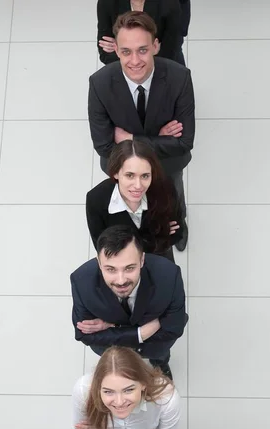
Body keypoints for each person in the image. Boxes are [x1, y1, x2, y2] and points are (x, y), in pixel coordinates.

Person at [88, 10, 195, 252]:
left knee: (173, 196)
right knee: (133, 200)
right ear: (116, 50)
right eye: (126, 51)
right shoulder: (100, 83)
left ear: (156, 46)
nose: (135, 60)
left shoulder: (179, 78)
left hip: (168, 164)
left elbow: (184, 141)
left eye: (143, 50)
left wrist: (129, 138)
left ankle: (179, 225)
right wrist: (159, 137)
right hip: (125, 166)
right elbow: (103, 146)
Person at [70, 225, 188, 378]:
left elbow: (174, 328)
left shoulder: (168, 276)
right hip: (112, 350)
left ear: (142, 260)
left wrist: (110, 327)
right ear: (99, 264)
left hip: (155, 347)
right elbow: (83, 335)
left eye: (129, 268)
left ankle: (160, 364)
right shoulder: (81, 282)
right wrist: (140, 333)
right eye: (111, 269)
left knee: (161, 357)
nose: (121, 281)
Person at [70, 346, 181, 429]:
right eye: (108, 391)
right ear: (98, 388)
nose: (119, 402)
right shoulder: (84, 390)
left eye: (128, 390)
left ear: (143, 383)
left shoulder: (166, 398)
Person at [86, 139, 183, 262]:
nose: (138, 185)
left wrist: (124, 243)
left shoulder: (165, 189)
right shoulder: (96, 199)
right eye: (130, 175)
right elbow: (102, 247)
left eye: (145, 176)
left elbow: (178, 232)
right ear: (116, 173)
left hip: (158, 257)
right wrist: (157, 237)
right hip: (122, 263)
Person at [97, 0, 185, 66]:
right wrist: (150, 51)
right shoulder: (106, 2)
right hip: (122, 70)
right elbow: (105, 53)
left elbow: (171, 49)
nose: (135, 61)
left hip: (165, 64)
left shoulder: (170, 3)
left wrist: (123, 51)